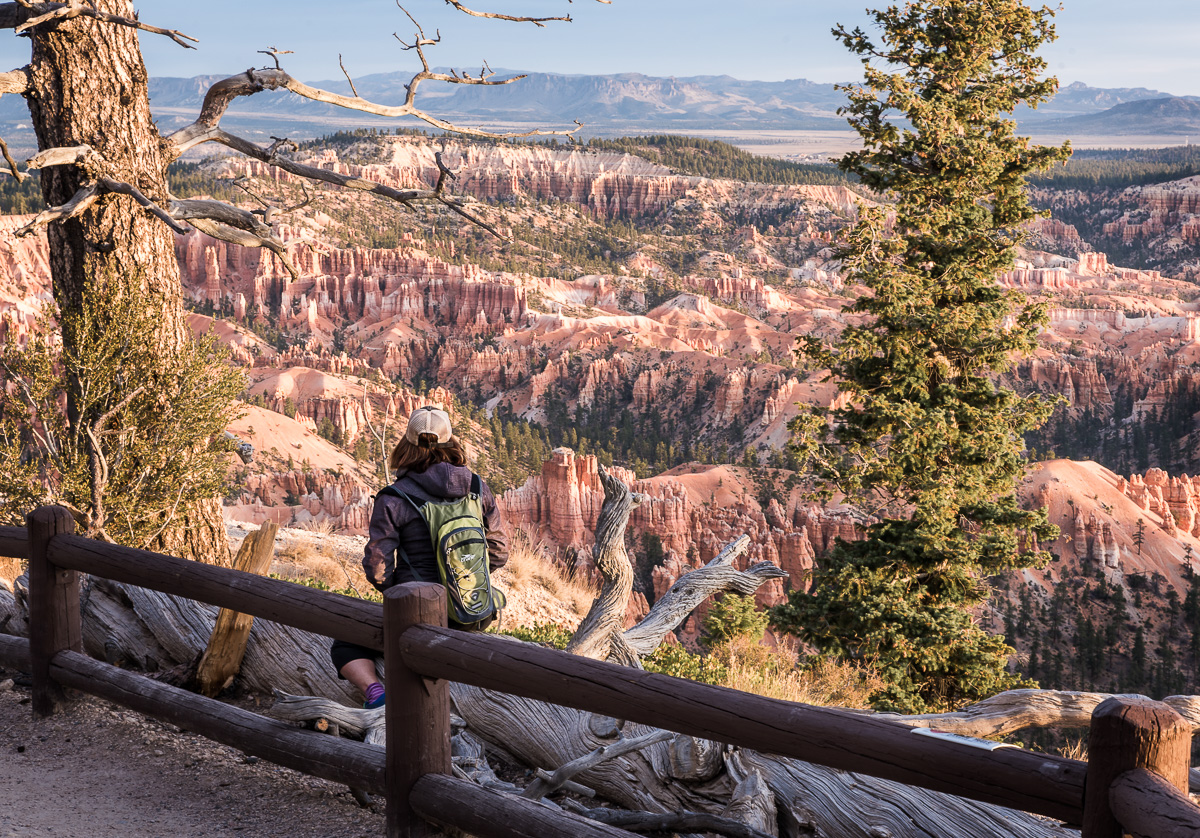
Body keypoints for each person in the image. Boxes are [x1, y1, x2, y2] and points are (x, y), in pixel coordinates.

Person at [330, 406, 508, 708]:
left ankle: (375, 692)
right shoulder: (478, 487)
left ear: (408, 444)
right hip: (473, 611)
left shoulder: (395, 496)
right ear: (450, 441)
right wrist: (465, 577)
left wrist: (403, 595)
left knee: (343, 642)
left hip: (417, 617)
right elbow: (499, 552)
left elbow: (377, 568)